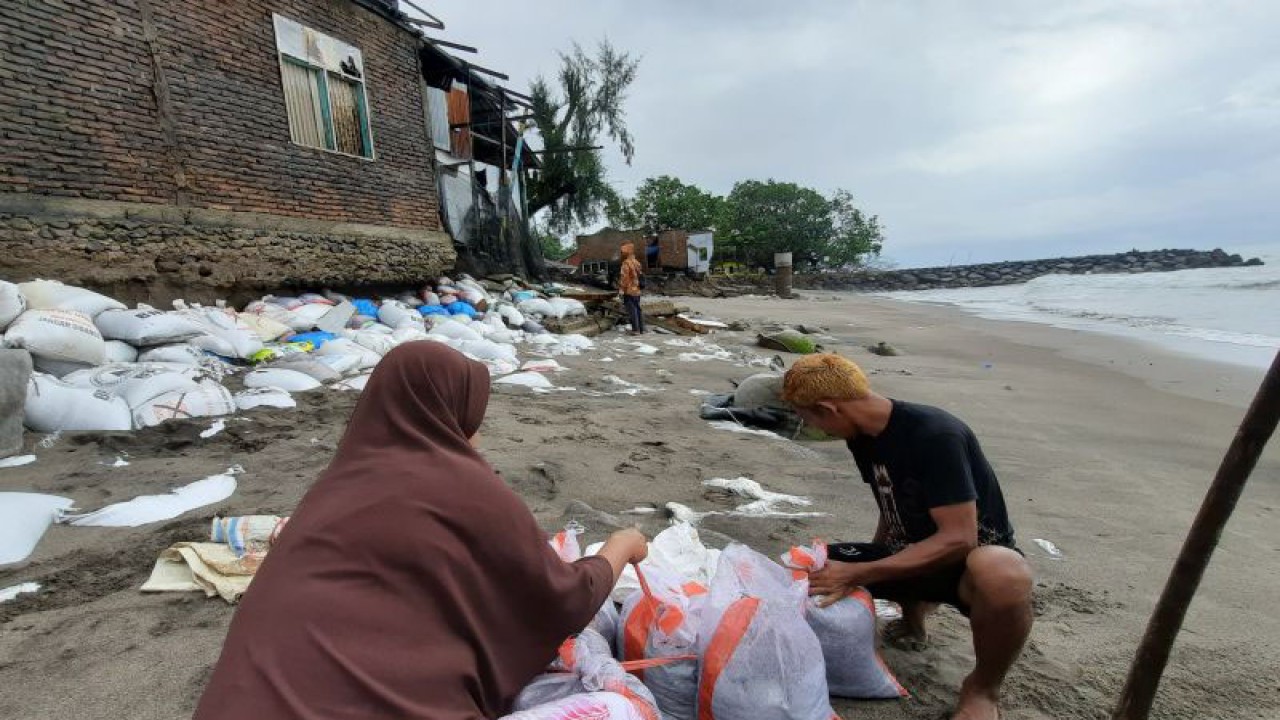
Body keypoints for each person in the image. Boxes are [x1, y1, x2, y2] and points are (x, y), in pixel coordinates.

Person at [194, 342, 648, 720]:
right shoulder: (466, 487)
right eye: (471, 418)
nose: (476, 436)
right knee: (615, 709)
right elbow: (558, 597)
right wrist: (621, 545)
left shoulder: (335, 486)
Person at [781, 353, 1033, 720]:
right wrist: (871, 559)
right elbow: (892, 505)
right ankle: (913, 616)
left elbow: (959, 539)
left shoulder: (935, 435)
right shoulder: (863, 435)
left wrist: (860, 573)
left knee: (1003, 571)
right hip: (916, 554)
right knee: (804, 569)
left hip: (969, 569)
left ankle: (982, 690)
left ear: (828, 408)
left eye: (808, 419)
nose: (815, 429)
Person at [617, 242, 645, 335]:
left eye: (622, 251)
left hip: (629, 290)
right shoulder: (637, 262)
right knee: (638, 309)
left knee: (632, 310)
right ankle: (642, 329)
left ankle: (635, 330)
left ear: (626, 252)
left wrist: (621, 289)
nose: (621, 253)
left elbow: (624, 278)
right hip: (637, 290)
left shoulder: (626, 263)